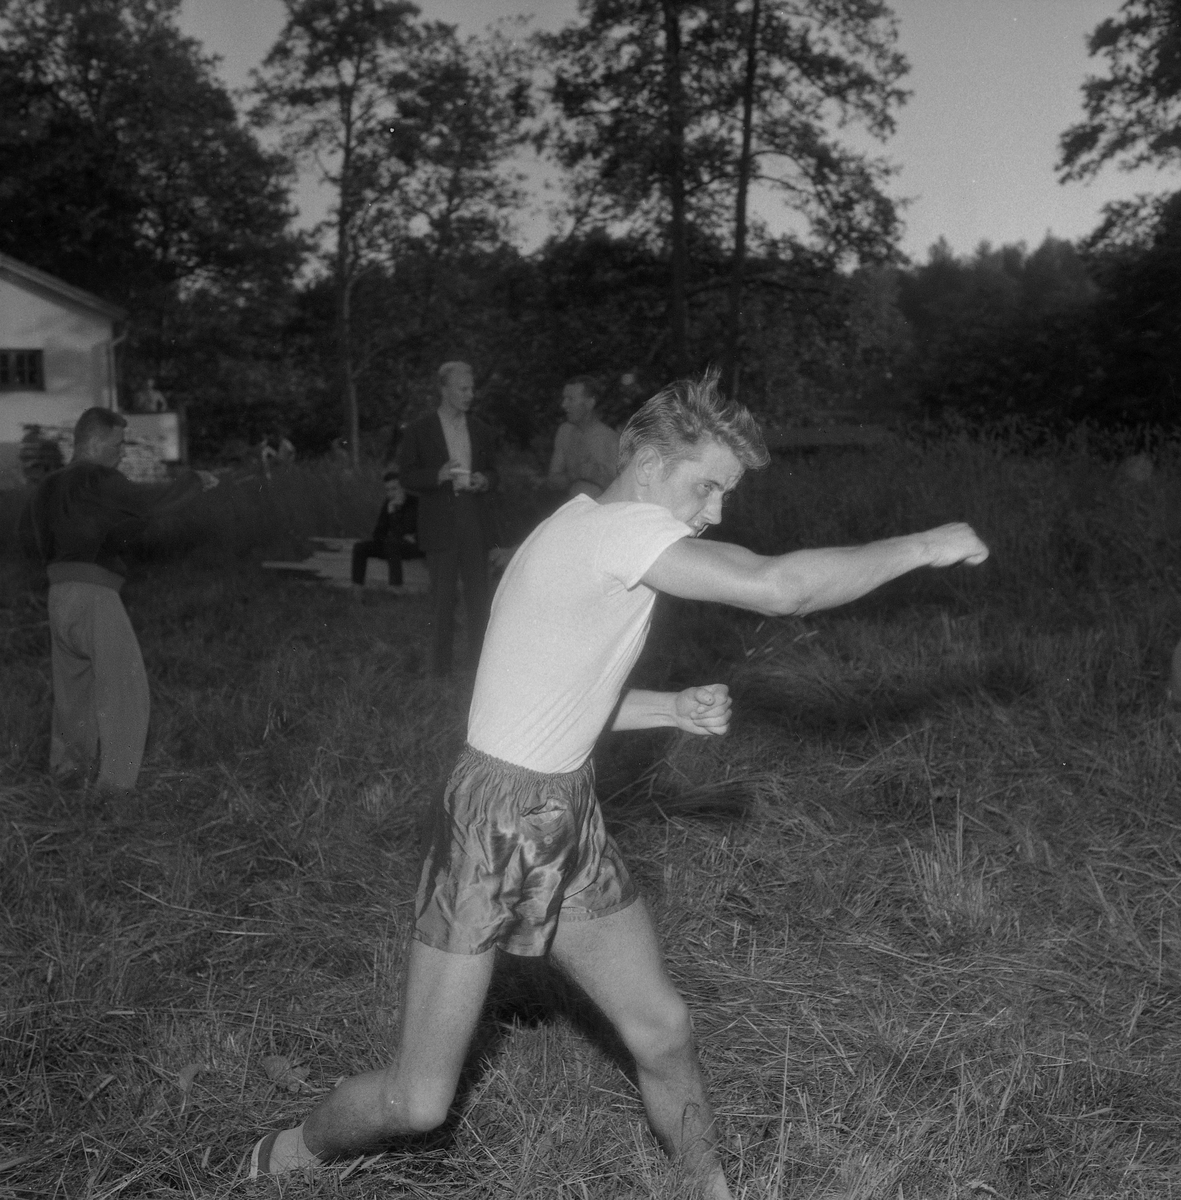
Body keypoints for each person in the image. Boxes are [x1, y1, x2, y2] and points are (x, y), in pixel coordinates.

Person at [248, 370, 988, 1196]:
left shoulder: (580, 526)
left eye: (725, 494)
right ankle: (284, 1154)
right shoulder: (616, 531)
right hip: (493, 821)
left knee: (663, 1028)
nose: (715, 512)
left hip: (563, 810)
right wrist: (922, 546)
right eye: (707, 486)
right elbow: (779, 588)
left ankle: (709, 1190)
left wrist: (666, 706)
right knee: (416, 1103)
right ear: (649, 465)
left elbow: (542, 694)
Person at [18, 407, 217, 792]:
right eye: (117, 444)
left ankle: (67, 775)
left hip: (58, 596)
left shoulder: (46, 487)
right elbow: (151, 502)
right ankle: (114, 790)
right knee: (125, 690)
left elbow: (34, 538)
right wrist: (194, 482)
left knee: (73, 692)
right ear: (94, 442)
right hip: (94, 596)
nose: (122, 453)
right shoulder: (97, 478)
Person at [396, 361, 499, 676]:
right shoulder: (419, 430)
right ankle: (440, 672)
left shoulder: (481, 430)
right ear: (444, 389)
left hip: (473, 517)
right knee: (442, 600)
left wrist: (485, 480)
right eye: (463, 389)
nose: (470, 395)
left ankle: (481, 670)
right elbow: (406, 476)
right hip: (440, 519)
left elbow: (494, 472)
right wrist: (436, 475)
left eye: (472, 389)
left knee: (479, 598)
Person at [545, 374, 620, 499]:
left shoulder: (611, 440)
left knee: (587, 489)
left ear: (590, 403)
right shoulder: (565, 432)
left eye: (570, 399)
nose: (564, 405)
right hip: (574, 504)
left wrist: (596, 476)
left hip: (603, 506)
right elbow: (553, 480)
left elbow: (622, 489)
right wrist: (576, 474)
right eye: (564, 398)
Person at [351, 467, 421, 587]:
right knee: (360, 547)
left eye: (394, 489)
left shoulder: (414, 503)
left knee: (392, 544)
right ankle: (356, 590)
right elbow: (378, 534)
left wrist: (393, 514)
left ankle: (396, 588)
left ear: (403, 487)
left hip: (415, 547)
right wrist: (390, 512)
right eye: (388, 490)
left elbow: (404, 531)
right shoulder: (389, 503)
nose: (390, 493)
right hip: (394, 545)